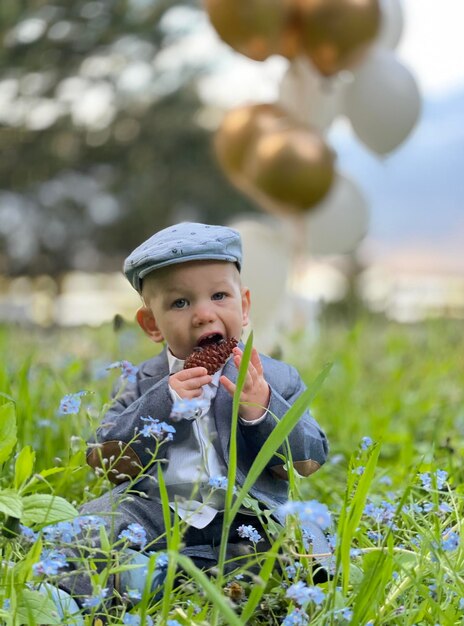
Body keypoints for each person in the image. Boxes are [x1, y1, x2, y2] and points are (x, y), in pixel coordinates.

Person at [42, 222, 330, 623]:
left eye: (219, 296)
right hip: (159, 510)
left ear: (244, 307)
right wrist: (163, 401)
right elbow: (106, 458)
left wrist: (261, 408)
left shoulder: (278, 379)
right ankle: (92, 591)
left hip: (248, 513)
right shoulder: (141, 381)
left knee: (308, 526)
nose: (203, 314)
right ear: (151, 325)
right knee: (94, 523)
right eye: (180, 303)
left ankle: (241, 580)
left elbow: (306, 462)